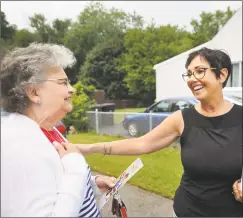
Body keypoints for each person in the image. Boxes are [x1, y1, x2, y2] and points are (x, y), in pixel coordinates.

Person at [59, 47, 243, 216]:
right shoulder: (182, 118)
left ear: (222, 75)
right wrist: (85, 149)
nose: (192, 79)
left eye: (200, 71)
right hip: (186, 212)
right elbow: (141, 143)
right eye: (188, 74)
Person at [1, 43, 116, 217]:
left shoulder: (46, 130)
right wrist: (76, 166)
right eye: (63, 83)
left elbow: (52, 183)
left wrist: (91, 183)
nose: (72, 89)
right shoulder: (20, 147)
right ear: (33, 92)